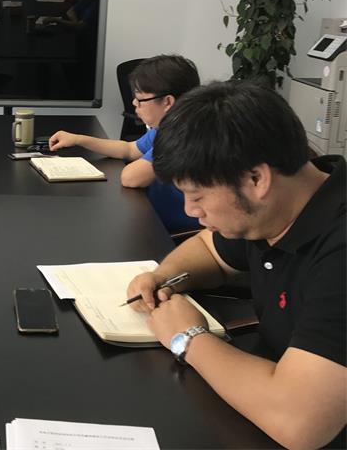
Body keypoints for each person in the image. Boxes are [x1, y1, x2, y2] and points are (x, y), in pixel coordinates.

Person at [126, 81, 346, 449]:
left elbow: (299, 421)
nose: (191, 212)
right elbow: (209, 249)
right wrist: (163, 276)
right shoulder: (275, 210)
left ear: (256, 179)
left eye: (197, 196)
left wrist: (188, 338)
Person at [49, 54, 200, 232]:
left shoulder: (184, 137)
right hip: (150, 217)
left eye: (140, 99)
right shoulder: (165, 128)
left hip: (172, 233)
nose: (134, 103)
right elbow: (129, 149)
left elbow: (131, 178)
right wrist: (78, 139)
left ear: (167, 102)